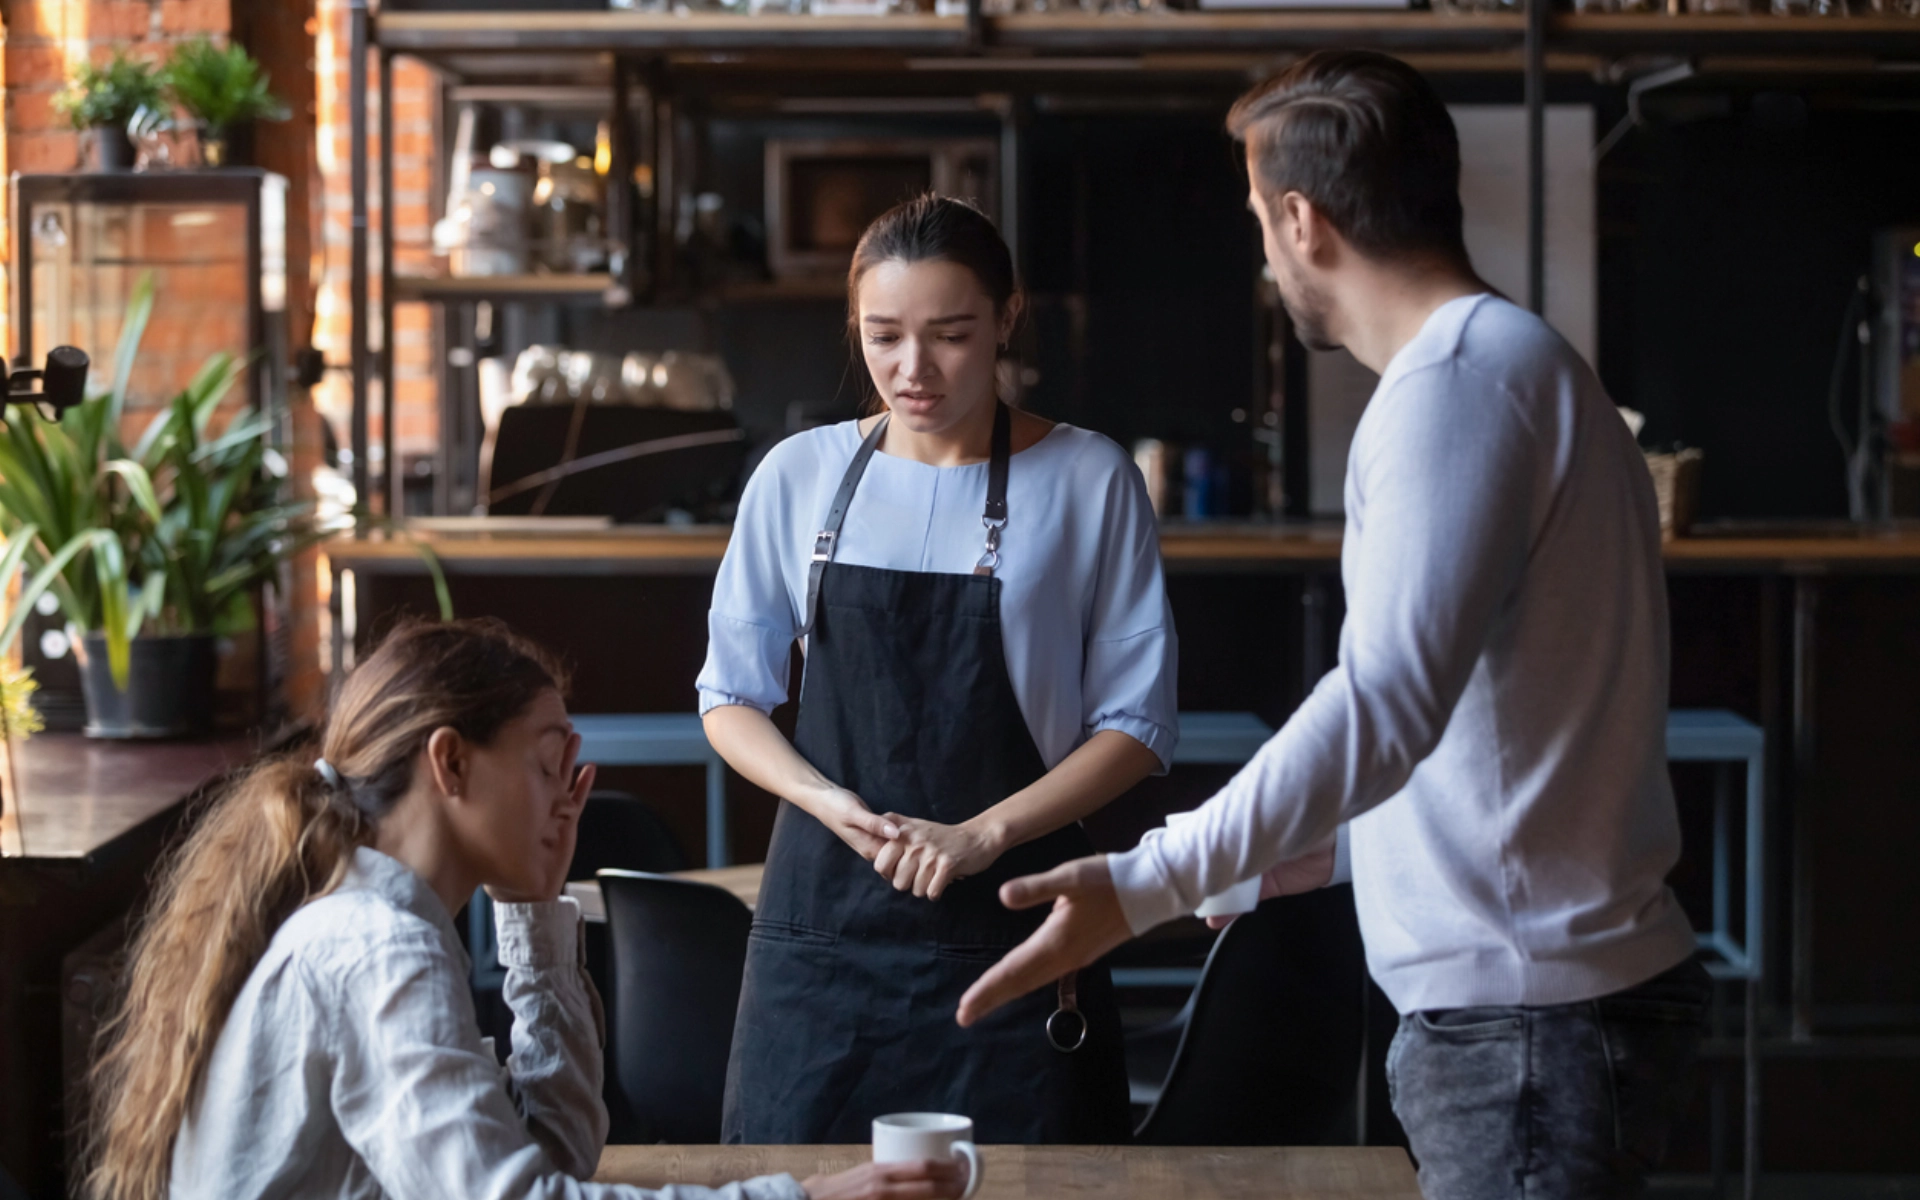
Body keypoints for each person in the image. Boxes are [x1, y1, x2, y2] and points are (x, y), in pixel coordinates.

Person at [957, 50, 1710, 1198]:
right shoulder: (1513, 365)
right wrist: (1308, 855)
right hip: (1543, 1009)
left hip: (1526, 1026)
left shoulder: (1454, 384)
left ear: (1302, 220)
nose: (1262, 253)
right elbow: (1495, 727)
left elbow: (1385, 701)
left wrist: (1147, 881)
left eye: (1259, 218)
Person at [83, 619, 964, 1200]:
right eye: (548, 766)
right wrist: (801, 1198)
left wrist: (535, 912)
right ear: (450, 764)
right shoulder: (376, 948)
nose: (565, 799)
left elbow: (555, 1156)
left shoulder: (379, 927)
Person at [699, 194, 1177, 1145]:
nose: (911, 370)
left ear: (1006, 319)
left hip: (1016, 923)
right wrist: (825, 800)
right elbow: (730, 696)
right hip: (821, 941)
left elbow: (1138, 726)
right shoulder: (796, 475)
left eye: (951, 336)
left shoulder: (1090, 479)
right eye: (883, 337)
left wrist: (982, 833)